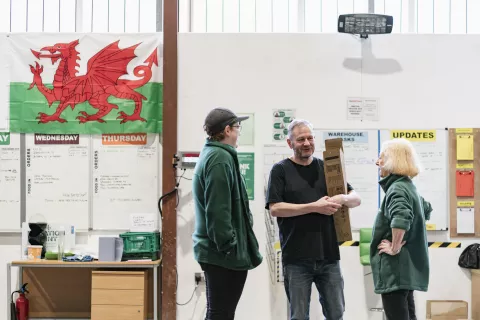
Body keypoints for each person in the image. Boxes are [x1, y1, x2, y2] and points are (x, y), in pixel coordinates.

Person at [265, 119, 361, 320]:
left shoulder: (327, 167)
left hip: (329, 256)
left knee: (336, 314)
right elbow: (275, 208)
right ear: (290, 143)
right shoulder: (280, 170)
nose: (307, 143)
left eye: (310, 138)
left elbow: (356, 198)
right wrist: (314, 207)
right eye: (300, 139)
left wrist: (342, 197)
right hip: (296, 259)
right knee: (299, 316)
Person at [192, 107, 263, 320]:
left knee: (220, 313)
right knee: (221, 314)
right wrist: (229, 246)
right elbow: (218, 209)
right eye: (237, 127)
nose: (239, 131)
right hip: (221, 254)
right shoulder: (219, 158)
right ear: (227, 130)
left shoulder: (216, 155)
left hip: (219, 253)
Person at [371, 138, 432, 320]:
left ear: (392, 161)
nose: (377, 162)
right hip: (406, 269)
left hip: (395, 270)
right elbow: (426, 209)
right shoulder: (408, 186)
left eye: (381, 157)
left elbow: (401, 218)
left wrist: (394, 247)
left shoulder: (397, 189)